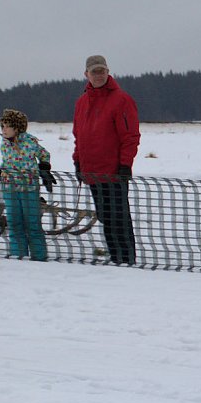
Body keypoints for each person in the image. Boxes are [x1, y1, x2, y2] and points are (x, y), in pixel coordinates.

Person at [72, 55, 141, 265]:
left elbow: (130, 136)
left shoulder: (121, 99)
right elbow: (78, 136)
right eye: (94, 71)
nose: (99, 75)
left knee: (119, 217)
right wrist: (78, 162)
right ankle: (115, 257)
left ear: (108, 71)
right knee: (105, 217)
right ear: (87, 74)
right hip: (92, 172)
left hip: (114, 173)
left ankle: (127, 259)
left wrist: (125, 165)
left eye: (102, 70)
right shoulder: (82, 101)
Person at [0, 108, 56, 262]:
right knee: (14, 223)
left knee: (32, 224)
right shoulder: (4, 144)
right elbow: (8, 161)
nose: (4, 130)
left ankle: (39, 257)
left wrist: (44, 168)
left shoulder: (30, 142)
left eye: (7, 126)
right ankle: (18, 257)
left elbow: (44, 154)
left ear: (17, 128)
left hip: (29, 188)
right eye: (2, 126)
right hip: (9, 188)